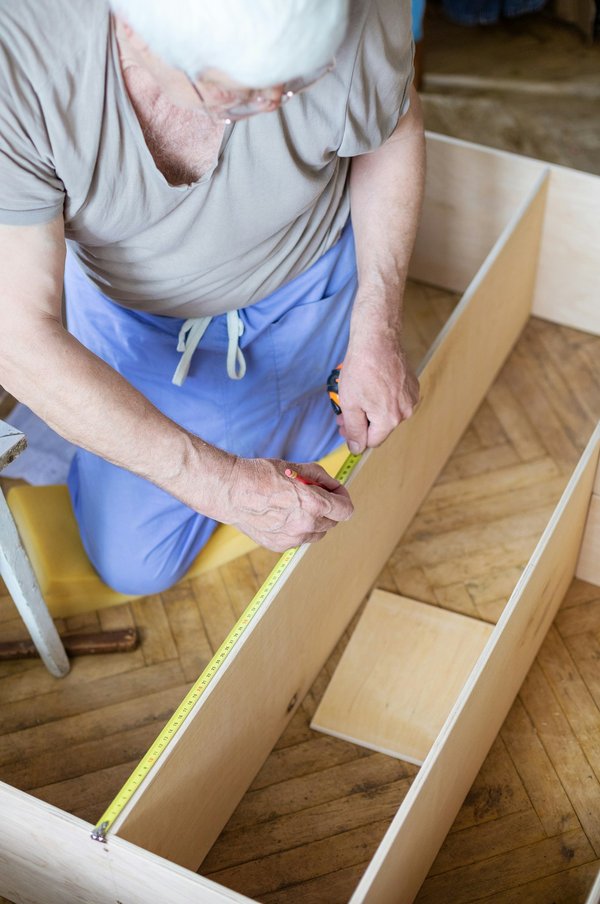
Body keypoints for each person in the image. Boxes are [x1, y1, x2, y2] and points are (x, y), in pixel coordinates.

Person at [0, 0, 424, 595]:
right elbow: (16, 335)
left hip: (310, 286)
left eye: (300, 80)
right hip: (141, 321)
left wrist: (377, 326)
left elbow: (393, 129)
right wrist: (219, 484)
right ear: (131, 30)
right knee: (134, 565)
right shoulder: (16, 60)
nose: (275, 105)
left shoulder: (357, 11)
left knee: (337, 439)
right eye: (239, 94)